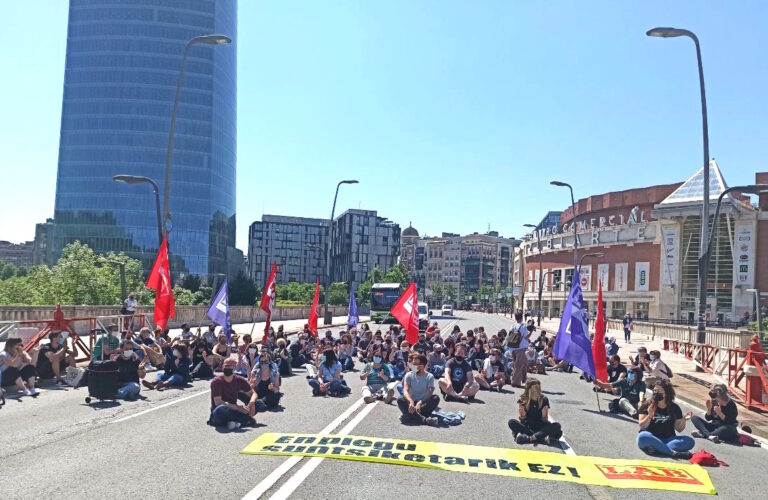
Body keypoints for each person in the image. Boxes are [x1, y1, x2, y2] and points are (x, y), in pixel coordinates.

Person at [636, 379, 694, 459]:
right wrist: (649, 415)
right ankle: (672, 453)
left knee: (690, 441)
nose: (656, 393)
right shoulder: (647, 405)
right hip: (651, 437)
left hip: (668, 439)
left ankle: (657, 448)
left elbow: (679, 429)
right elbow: (642, 426)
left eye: (659, 391)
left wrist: (684, 419)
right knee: (642, 437)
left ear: (666, 393)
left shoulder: (674, 408)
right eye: (655, 390)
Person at [507, 379, 562, 445]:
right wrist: (523, 416)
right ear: (529, 388)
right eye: (535, 387)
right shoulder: (523, 399)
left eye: (539, 387)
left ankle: (529, 438)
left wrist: (544, 415)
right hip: (528, 426)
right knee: (511, 422)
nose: (538, 389)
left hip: (541, 426)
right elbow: (522, 419)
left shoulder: (543, 399)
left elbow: (545, 420)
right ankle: (540, 437)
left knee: (557, 426)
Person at [208, 358, 258, 430]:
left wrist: (252, 402)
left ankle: (236, 422)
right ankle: (243, 421)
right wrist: (238, 408)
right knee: (221, 409)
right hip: (220, 411)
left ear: (235, 367)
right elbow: (218, 402)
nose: (228, 368)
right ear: (222, 367)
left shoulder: (239, 380)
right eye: (226, 366)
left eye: (231, 366)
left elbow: (253, 393)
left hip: (233, 410)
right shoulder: (217, 381)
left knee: (258, 404)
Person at [397, 354, 439, 426]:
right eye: (413, 364)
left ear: (422, 366)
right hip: (411, 403)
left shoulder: (429, 376)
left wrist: (420, 402)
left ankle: (409, 416)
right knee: (400, 399)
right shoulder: (409, 375)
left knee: (435, 398)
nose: (413, 366)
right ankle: (424, 419)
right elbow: (405, 390)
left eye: (415, 364)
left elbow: (430, 392)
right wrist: (411, 402)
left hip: (423, 403)